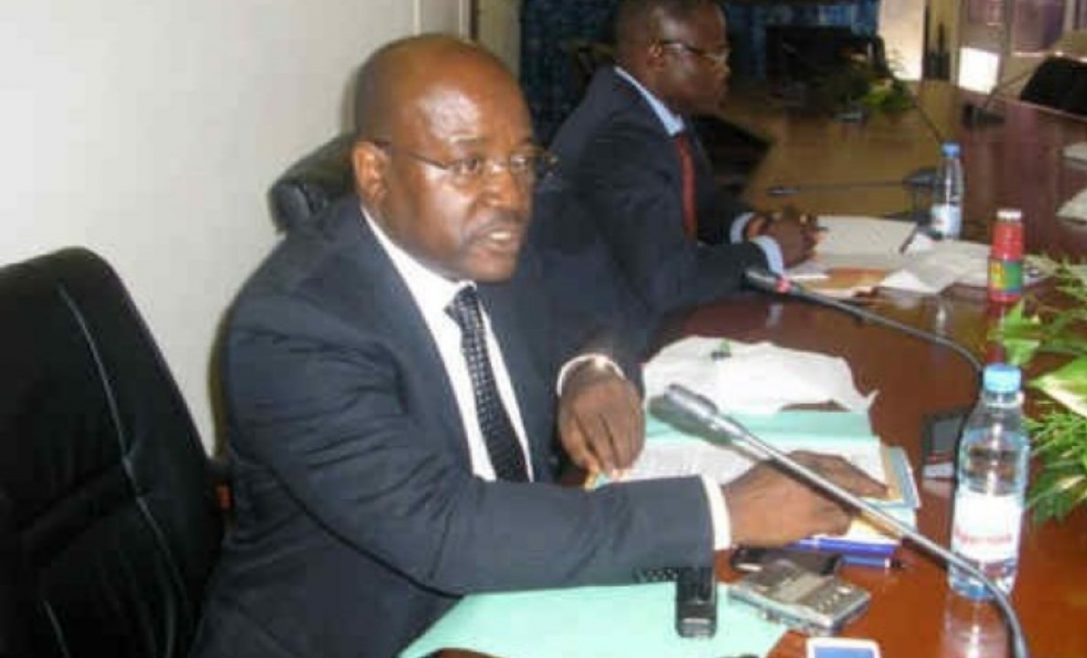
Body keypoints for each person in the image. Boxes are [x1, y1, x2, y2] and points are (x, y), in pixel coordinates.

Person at [191, 35, 883, 658]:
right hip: (381, 630)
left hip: (515, 593)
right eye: (469, 164)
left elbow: (598, 313)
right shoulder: (296, 330)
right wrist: (723, 511)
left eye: (522, 160)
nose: (510, 196)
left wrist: (591, 370)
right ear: (374, 173)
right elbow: (446, 528)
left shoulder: (479, 240)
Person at [531, 0, 818, 356]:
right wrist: (770, 251)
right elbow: (670, 281)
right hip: (612, 345)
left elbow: (703, 202)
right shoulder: (620, 137)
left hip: (649, 313)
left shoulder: (652, 109)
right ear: (658, 55)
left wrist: (752, 227)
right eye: (714, 55)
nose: (725, 69)